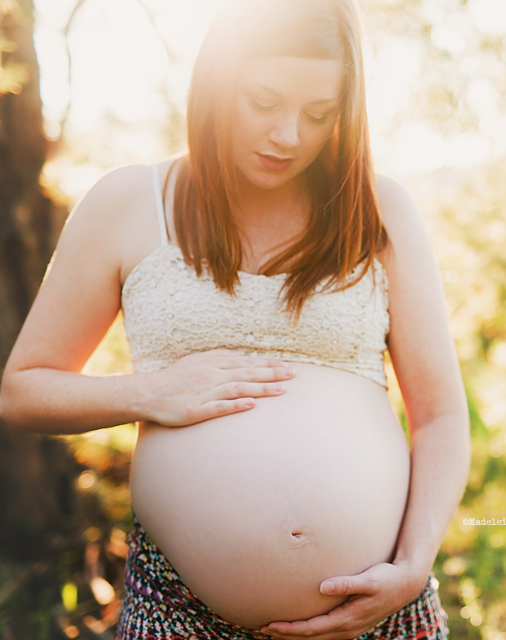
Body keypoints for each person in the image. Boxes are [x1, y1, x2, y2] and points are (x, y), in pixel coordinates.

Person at [0, 0, 470, 638]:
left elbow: (440, 415)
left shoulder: (377, 211)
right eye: (264, 101)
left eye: (318, 114)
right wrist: (150, 393)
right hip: (179, 610)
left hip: (380, 606)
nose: (288, 136)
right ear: (219, 81)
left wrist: (414, 565)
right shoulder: (128, 204)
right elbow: (22, 389)